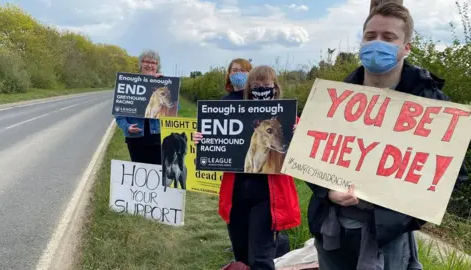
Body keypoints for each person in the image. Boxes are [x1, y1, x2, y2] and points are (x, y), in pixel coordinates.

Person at [305, 3, 469, 270]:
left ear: (406, 47)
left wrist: (397, 217)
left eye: (389, 37)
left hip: (388, 237)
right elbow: (308, 158)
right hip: (332, 228)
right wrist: (328, 191)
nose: (376, 43)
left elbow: (452, 178)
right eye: (370, 36)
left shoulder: (432, 104)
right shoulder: (334, 97)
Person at [193, 65, 301, 269]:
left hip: (268, 199)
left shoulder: (289, 118)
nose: (261, 90)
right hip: (237, 195)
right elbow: (213, 146)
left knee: (261, 258)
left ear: (275, 87)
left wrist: (301, 133)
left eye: (266, 85)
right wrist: (202, 141)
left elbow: (305, 154)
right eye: (256, 86)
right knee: (241, 256)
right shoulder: (233, 114)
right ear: (248, 89)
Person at [115, 49, 165, 165]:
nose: (150, 65)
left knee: (158, 174)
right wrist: (127, 127)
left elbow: (173, 110)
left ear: (157, 66)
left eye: (154, 63)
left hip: (158, 137)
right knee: (139, 175)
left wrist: (161, 84)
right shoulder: (129, 83)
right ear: (140, 64)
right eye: (146, 61)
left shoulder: (165, 83)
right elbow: (119, 113)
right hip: (135, 138)